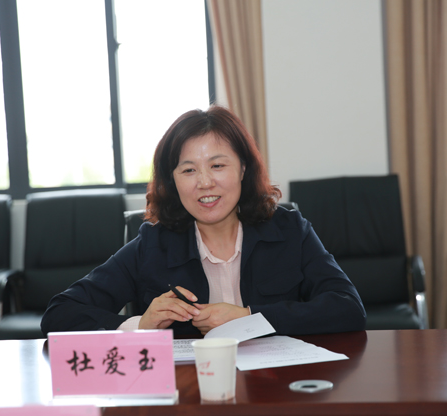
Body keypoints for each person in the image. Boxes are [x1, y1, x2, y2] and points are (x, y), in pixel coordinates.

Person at [41, 106, 366, 337]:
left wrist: (249, 317)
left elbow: (348, 308)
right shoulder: (153, 244)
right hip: (189, 396)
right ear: (172, 180)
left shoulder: (290, 230)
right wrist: (141, 325)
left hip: (274, 390)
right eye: (189, 170)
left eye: (217, 166)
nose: (205, 182)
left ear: (242, 169)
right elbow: (60, 314)